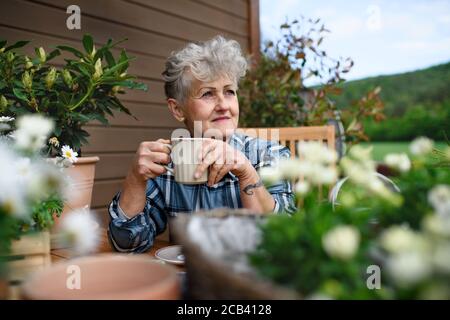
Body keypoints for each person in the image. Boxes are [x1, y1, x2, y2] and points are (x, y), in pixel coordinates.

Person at [108, 36, 296, 252]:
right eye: (208, 94)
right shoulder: (165, 165)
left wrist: (246, 173)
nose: (224, 105)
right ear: (177, 109)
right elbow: (127, 245)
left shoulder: (269, 154)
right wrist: (135, 179)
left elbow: (283, 245)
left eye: (229, 91)